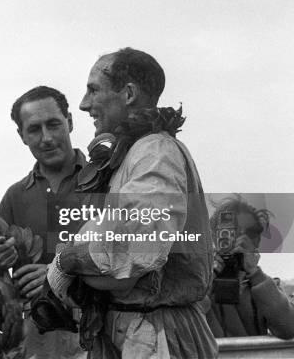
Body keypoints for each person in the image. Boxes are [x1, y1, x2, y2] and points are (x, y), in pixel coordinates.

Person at [46, 48, 217, 358]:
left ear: (128, 94)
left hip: (156, 333)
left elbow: (135, 252)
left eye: (94, 89)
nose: (85, 104)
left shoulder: (155, 152)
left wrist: (66, 261)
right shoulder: (139, 153)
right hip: (139, 327)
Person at [0, 86, 88, 359]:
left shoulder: (106, 183)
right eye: (34, 129)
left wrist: (57, 274)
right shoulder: (15, 196)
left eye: (54, 125)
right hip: (35, 343)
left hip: (98, 336)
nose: (46, 138)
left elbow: (126, 257)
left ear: (70, 122)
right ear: (22, 136)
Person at [205, 196, 294, 339]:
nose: (241, 240)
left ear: (258, 240)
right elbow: (184, 317)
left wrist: (255, 273)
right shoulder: (197, 285)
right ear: (214, 236)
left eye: (251, 232)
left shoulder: (264, 288)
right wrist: (215, 269)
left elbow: (290, 328)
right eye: (231, 231)